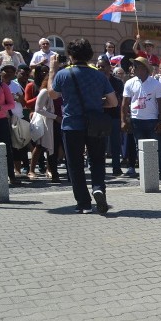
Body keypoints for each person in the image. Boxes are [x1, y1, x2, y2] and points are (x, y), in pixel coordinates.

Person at [48, 38, 118, 214]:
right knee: (97, 160)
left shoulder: (63, 74)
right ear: (89, 55)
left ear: (70, 55)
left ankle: (84, 203)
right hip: (95, 124)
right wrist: (96, 104)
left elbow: (52, 94)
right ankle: (98, 188)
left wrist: (52, 70)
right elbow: (113, 102)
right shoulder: (99, 75)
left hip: (72, 125)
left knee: (75, 165)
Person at [121, 57, 161, 182]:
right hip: (136, 120)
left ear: (143, 68)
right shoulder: (130, 83)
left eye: (136, 66)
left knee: (157, 148)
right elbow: (124, 104)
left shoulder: (155, 84)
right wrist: (123, 121)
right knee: (140, 149)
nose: (133, 68)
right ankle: (146, 173)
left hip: (152, 120)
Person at [95, 56, 124, 176]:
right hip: (99, 117)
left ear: (108, 67)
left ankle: (116, 168)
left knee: (115, 145)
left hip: (114, 116)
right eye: (98, 66)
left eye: (103, 66)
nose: (100, 68)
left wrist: (103, 101)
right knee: (100, 145)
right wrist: (106, 101)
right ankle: (99, 169)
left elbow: (118, 100)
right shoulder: (94, 81)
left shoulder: (117, 82)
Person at [29, 66, 57, 181]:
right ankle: (31, 170)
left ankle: (49, 169)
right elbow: (38, 109)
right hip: (44, 121)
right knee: (40, 146)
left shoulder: (57, 92)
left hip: (53, 121)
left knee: (52, 146)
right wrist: (55, 117)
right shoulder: (44, 91)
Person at [0, 64, 19, 185]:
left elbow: (11, 104)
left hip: (1, 121)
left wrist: (1, 107)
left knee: (6, 149)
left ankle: (11, 176)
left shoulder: (3, 86)